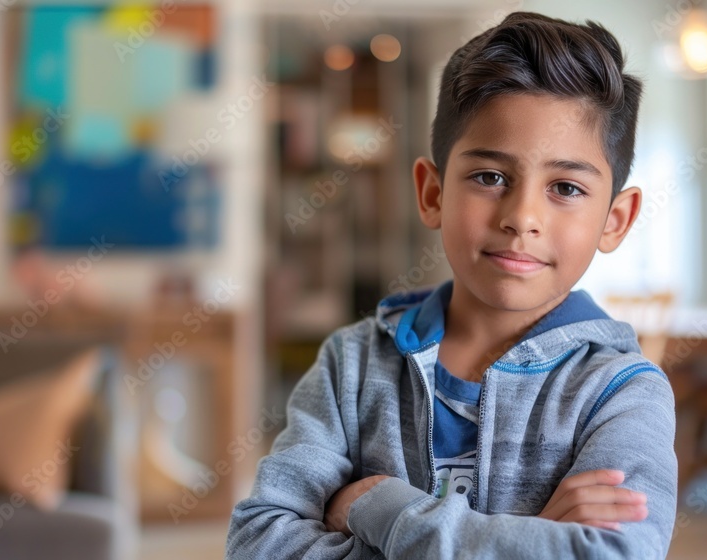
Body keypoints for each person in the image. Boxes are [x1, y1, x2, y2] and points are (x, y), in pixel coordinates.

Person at [226, 10, 678, 560]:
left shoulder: (623, 391)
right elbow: (257, 542)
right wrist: (530, 537)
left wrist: (380, 508)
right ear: (432, 193)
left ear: (616, 219)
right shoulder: (350, 366)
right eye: (490, 177)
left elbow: (612, 555)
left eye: (565, 186)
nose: (522, 217)